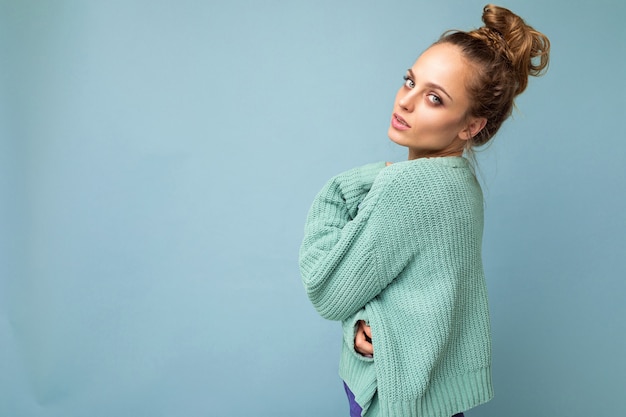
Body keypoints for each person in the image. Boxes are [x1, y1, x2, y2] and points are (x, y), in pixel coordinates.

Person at [299, 4, 550, 417]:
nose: (406, 101)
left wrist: (349, 184)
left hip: (395, 399)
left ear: (471, 126)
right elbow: (417, 294)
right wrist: (367, 322)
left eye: (434, 98)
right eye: (410, 81)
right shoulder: (461, 184)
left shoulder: (405, 188)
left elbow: (327, 292)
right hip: (434, 396)